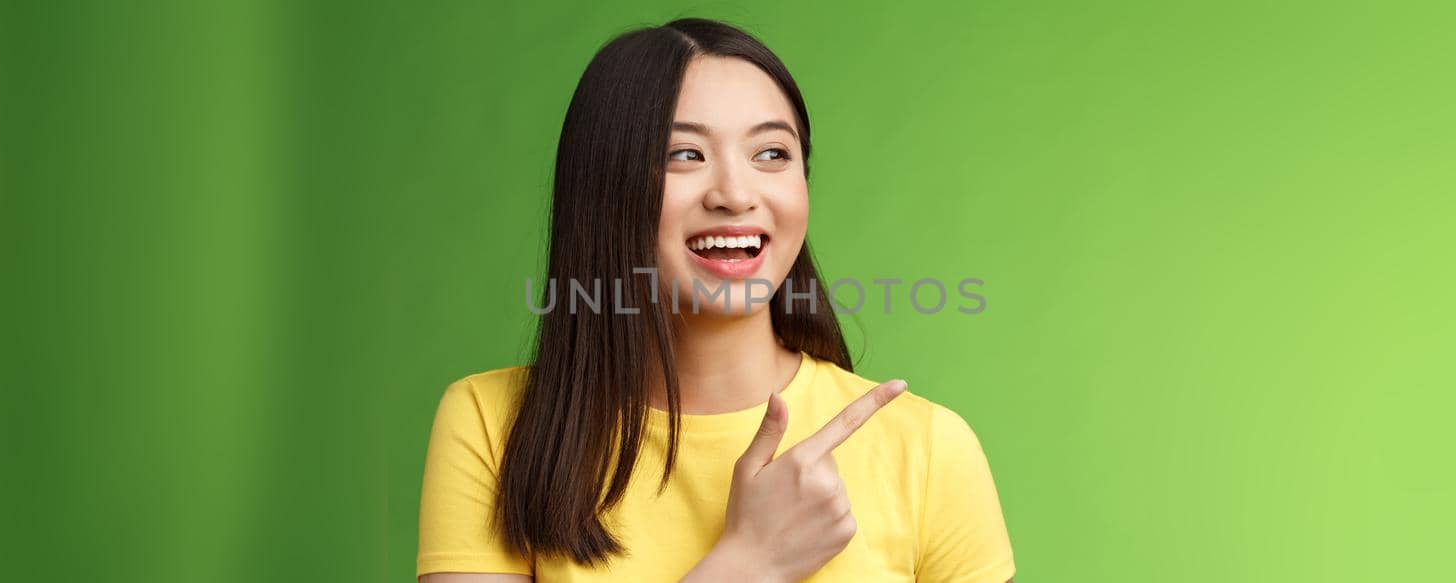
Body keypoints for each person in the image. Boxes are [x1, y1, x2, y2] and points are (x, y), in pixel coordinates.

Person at [416, 17, 1014, 582]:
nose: (734, 193)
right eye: (685, 155)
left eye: (771, 154)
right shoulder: (495, 425)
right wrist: (748, 563)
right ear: (604, 187)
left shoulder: (930, 448)